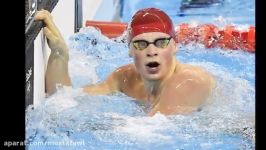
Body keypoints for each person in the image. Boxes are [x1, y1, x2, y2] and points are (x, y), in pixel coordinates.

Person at [35, 8, 215, 115]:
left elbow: (151, 132)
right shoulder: (125, 78)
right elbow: (65, 98)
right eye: (141, 44)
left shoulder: (190, 81)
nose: (151, 51)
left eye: (161, 43)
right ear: (130, 50)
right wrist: (59, 53)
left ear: (175, 46)